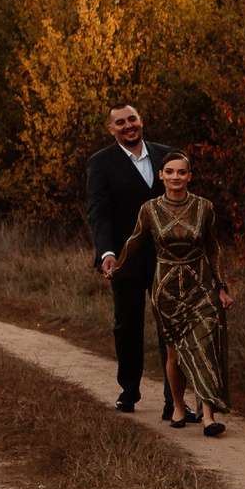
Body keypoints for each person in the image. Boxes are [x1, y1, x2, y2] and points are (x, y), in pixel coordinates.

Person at [104, 151, 234, 435]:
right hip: (167, 291)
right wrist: (117, 270)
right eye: (170, 172)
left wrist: (221, 286)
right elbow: (134, 242)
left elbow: (213, 248)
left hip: (201, 287)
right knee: (175, 355)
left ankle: (208, 417)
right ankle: (177, 405)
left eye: (182, 172)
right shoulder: (150, 209)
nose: (176, 177)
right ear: (161, 175)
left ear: (189, 176)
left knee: (206, 350)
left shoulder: (204, 207)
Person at [84, 103, 180, 415]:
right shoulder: (101, 163)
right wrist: (107, 253)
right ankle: (129, 389)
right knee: (127, 325)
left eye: (132, 119)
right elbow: (99, 212)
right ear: (111, 129)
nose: (128, 125)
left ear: (141, 121)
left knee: (171, 326)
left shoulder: (166, 155)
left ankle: (174, 400)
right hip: (125, 258)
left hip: (167, 257)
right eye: (121, 122)